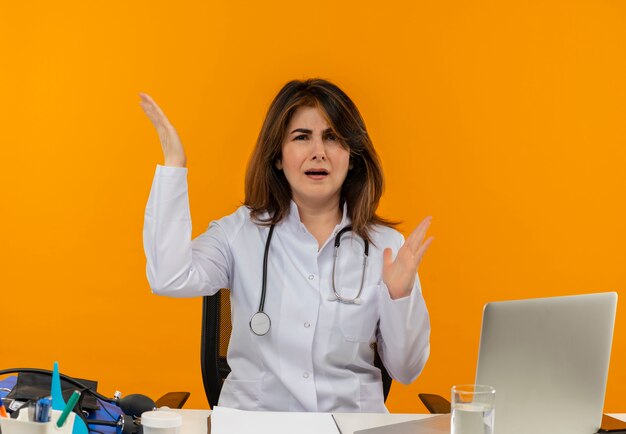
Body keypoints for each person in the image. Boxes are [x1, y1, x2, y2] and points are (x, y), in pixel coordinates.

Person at [141, 78, 433, 413]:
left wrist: (400, 298)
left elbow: (407, 370)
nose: (318, 152)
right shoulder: (240, 232)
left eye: (332, 137)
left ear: (352, 156)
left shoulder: (385, 247)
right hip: (255, 424)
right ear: (278, 156)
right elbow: (168, 277)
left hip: (350, 426)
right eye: (301, 137)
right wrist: (174, 166)